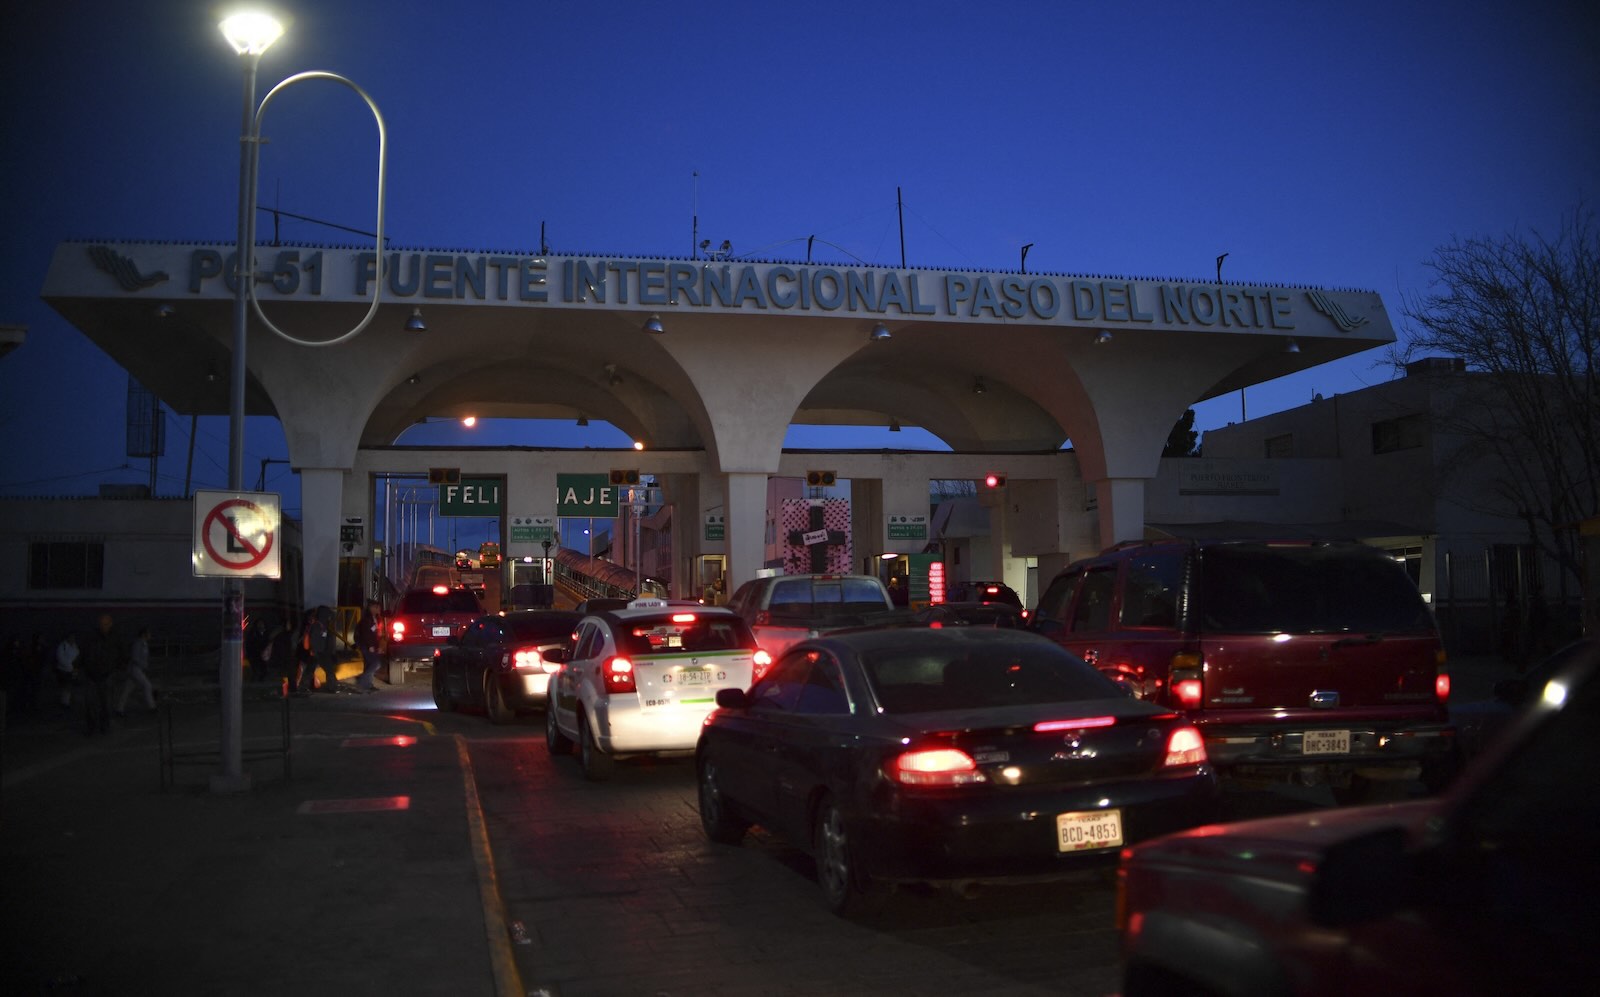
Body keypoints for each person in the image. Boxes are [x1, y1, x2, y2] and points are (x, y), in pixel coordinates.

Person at [77, 614, 124, 735]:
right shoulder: (93, 637)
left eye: (106, 624)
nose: (104, 626)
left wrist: (117, 668)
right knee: (91, 703)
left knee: (106, 703)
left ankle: (103, 725)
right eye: (103, 624)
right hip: (92, 673)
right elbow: (84, 652)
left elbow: (121, 654)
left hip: (106, 673)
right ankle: (92, 726)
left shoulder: (115, 637)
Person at [114, 626, 158, 716]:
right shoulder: (138, 644)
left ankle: (119, 709)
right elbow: (135, 658)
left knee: (127, 689)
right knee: (147, 686)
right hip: (135, 669)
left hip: (137, 669)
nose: (150, 635)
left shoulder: (144, 644)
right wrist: (144, 666)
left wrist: (144, 667)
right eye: (148, 633)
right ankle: (152, 707)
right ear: (144, 634)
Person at [354, 599, 384, 692]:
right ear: (371, 608)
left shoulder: (377, 618)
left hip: (373, 645)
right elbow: (365, 633)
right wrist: (370, 646)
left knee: (369, 664)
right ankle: (362, 679)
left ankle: (367, 685)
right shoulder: (366, 619)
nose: (379, 609)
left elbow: (377, 633)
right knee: (376, 663)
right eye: (377, 607)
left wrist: (379, 646)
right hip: (366, 645)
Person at [54, 633, 79, 710]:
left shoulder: (75, 646)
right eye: (71, 637)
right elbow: (61, 659)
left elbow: (78, 656)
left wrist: (76, 667)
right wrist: (71, 667)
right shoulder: (62, 646)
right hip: (64, 670)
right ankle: (64, 703)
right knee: (65, 686)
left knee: (70, 686)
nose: (72, 639)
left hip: (73, 670)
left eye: (73, 637)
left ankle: (68, 701)